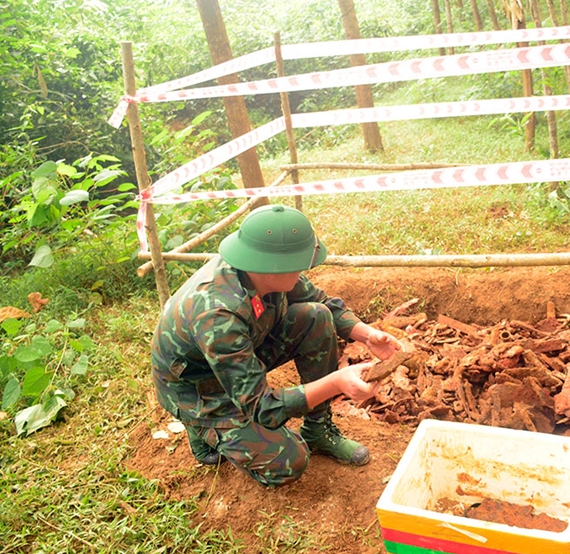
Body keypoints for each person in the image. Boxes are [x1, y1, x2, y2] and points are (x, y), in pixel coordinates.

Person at [151, 204, 401, 487]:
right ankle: (202, 425)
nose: (305, 269)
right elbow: (262, 406)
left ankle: (319, 430)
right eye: (300, 264)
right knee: (288, 460)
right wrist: (336, 383)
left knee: (317, 317)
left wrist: (367, 335)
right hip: (198, 387)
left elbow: (323, 303)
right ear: (274, 266)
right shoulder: (218, 314)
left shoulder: (261, 269)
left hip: (236, 355)